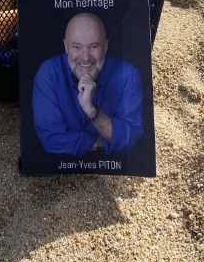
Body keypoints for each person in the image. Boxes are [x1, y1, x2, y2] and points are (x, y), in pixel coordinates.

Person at [32, 12, 144, 157]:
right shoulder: (48, 74)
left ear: (105, 47)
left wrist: (91, 110)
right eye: (77, 47)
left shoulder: (129, 76)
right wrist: (110, 140)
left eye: (94, 46)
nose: (85, 57)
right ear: (66, 47)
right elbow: (51, 139)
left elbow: (131, 137)